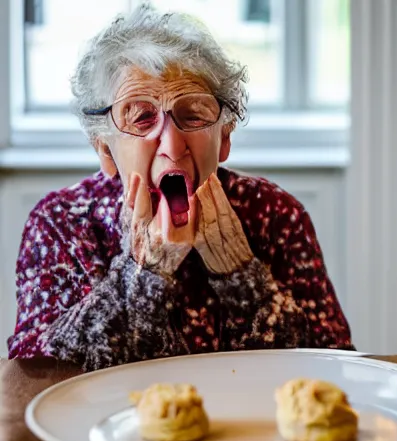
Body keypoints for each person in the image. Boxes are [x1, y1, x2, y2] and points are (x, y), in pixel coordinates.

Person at [7, 4, 354, 371]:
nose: (172, 146)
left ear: (224, 139)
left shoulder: (276, 215)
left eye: (193, 115)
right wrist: (141, 276)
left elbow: (334, 366)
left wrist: (239, 274)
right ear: (105, 149)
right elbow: (39, 375)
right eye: (141, 117)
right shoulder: (61, 225)